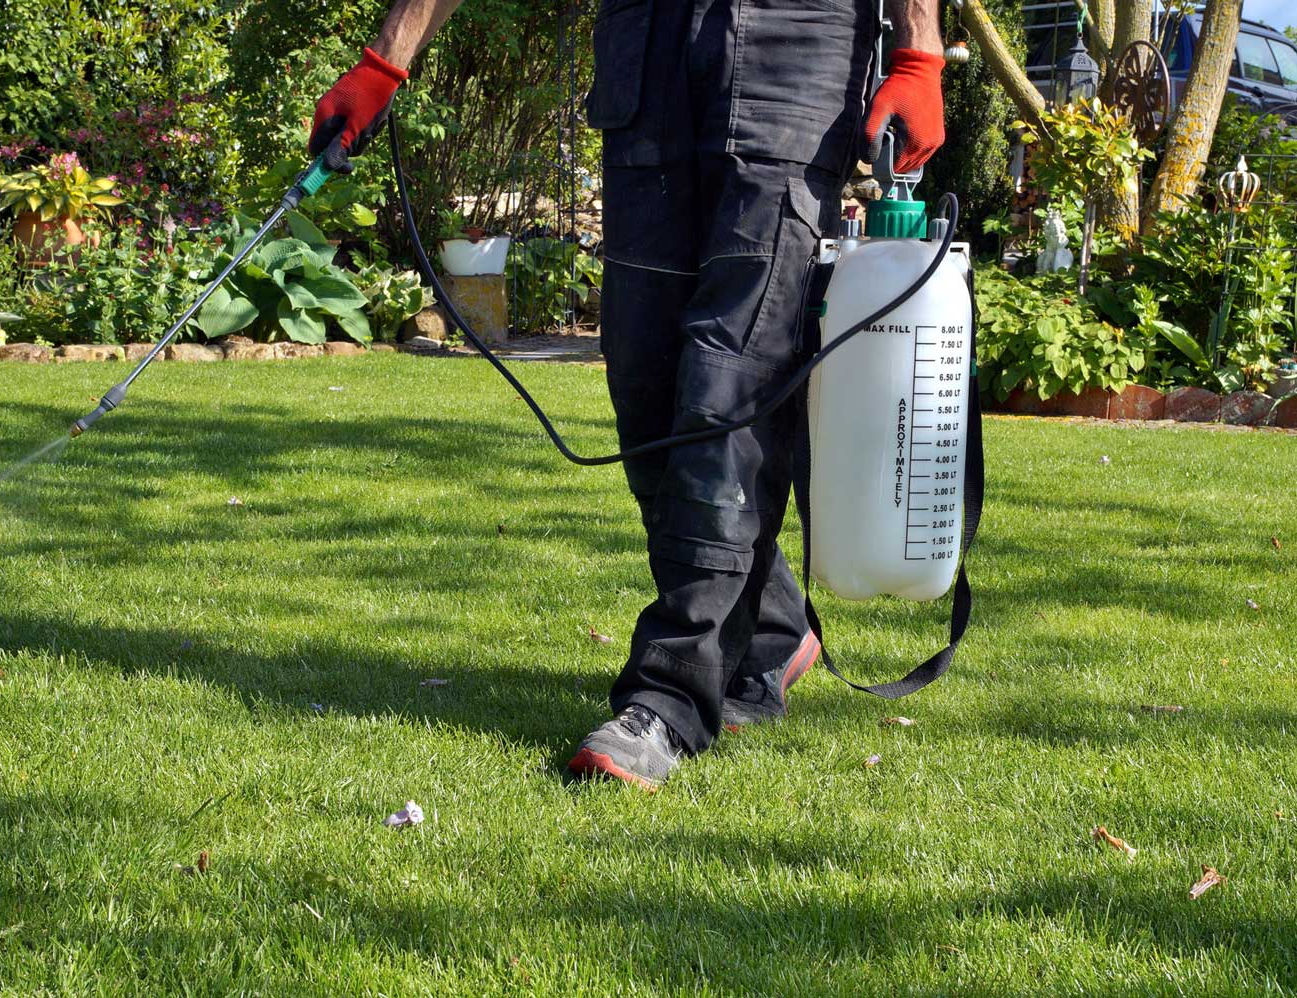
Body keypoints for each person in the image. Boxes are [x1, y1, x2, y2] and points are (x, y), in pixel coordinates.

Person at [309, 0, 945, 790]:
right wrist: (384, 62)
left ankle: (669, 696)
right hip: (647, 51)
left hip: (795, 47)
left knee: (729, 378)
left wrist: (921, 53)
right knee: (644, 381)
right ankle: (775, 629)